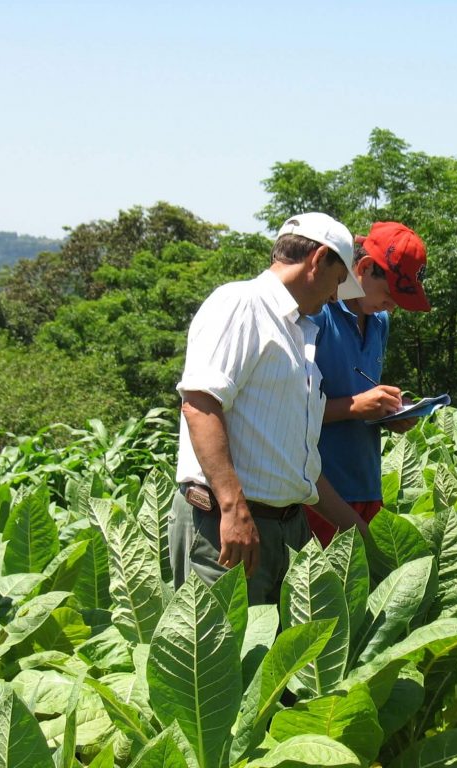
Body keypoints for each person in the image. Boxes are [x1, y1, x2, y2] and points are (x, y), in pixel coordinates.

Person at [169, 211, 371, 605]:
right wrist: (233, 508)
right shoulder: (241, 303)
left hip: (283, 532)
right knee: (218, 663)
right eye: (337, 280)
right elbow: (199, 404)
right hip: (226, 529)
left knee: (277, 664)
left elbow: (297, 462)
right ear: (318, 260)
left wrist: (357, 530)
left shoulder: (299, 333)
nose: (335, 296)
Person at [305, 221, 431, 545]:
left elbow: (358, 393)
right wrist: (355, 407)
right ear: (363, 268)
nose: (392, 305)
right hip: (319, 494)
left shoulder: (380, 322)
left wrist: (389, 413)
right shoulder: (318, 314)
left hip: (366, 483)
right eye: (390, 293)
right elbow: (284, 414)